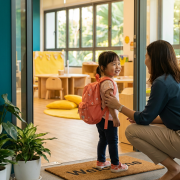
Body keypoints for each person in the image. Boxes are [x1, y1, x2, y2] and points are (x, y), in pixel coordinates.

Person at [104, 40, 180, 180]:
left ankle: (173, 168)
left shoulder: (161, 82)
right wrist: (145, 118)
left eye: (147, 56)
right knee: (142, 125)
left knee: (132, 131)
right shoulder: (175, 78)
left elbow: (144, 118)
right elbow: (174, 116)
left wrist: (118, 106)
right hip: (176, 131)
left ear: (155, 59)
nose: (145, 61)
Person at [96, 51, 128, 173]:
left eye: (118, 63)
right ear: (103, 68)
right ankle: (115, 164)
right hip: (108, 118)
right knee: (113, 141)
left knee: (103, 139)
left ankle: (101, 161)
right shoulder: (108, 82)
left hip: (101, 117)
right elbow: (110, 102)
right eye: (113, 64)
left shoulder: (102, 80)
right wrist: (115, 117)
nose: (118, 67)